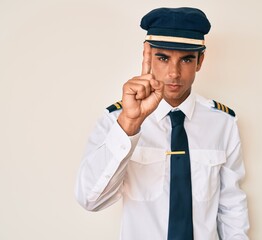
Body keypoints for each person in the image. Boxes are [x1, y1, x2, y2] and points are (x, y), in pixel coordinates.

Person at [75, 7, 249, 240]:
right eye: (163, 58)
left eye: (186, 59)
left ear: (200, 61)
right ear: (147, 56)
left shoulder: (223, 123)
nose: (174, 73)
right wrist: (129, 125)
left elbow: (231, 206)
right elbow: (89, 199)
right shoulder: (118, 120)